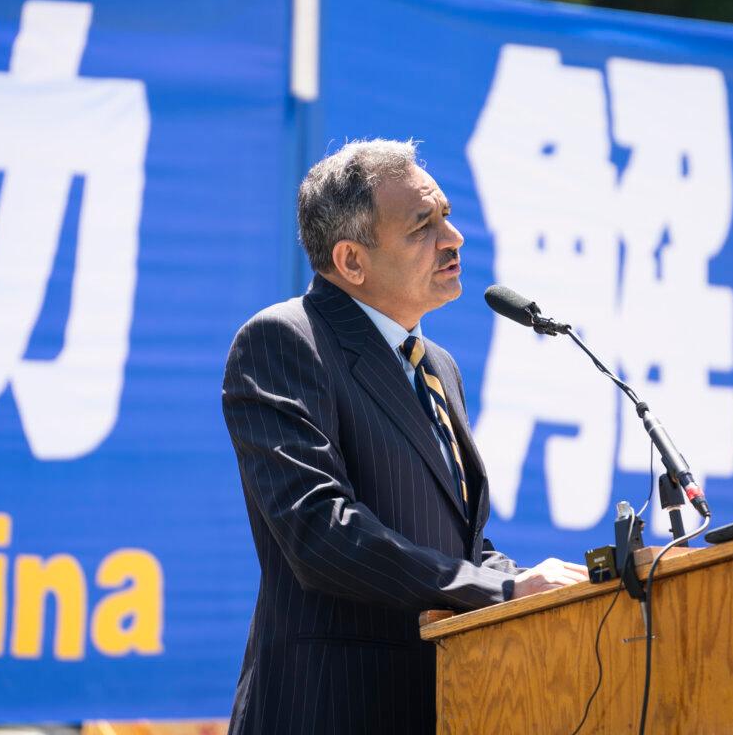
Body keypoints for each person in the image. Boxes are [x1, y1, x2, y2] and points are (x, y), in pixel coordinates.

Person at [221, 139, 587, 734]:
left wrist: (549, 588)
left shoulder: (437, 364)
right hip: (332, 708)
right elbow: (322, 532)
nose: (454, 237)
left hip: (448, 701)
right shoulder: (284, 343)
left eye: (446, 213)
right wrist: (501, 589)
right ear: (352, 260)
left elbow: (454, 543)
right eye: (424, 225)